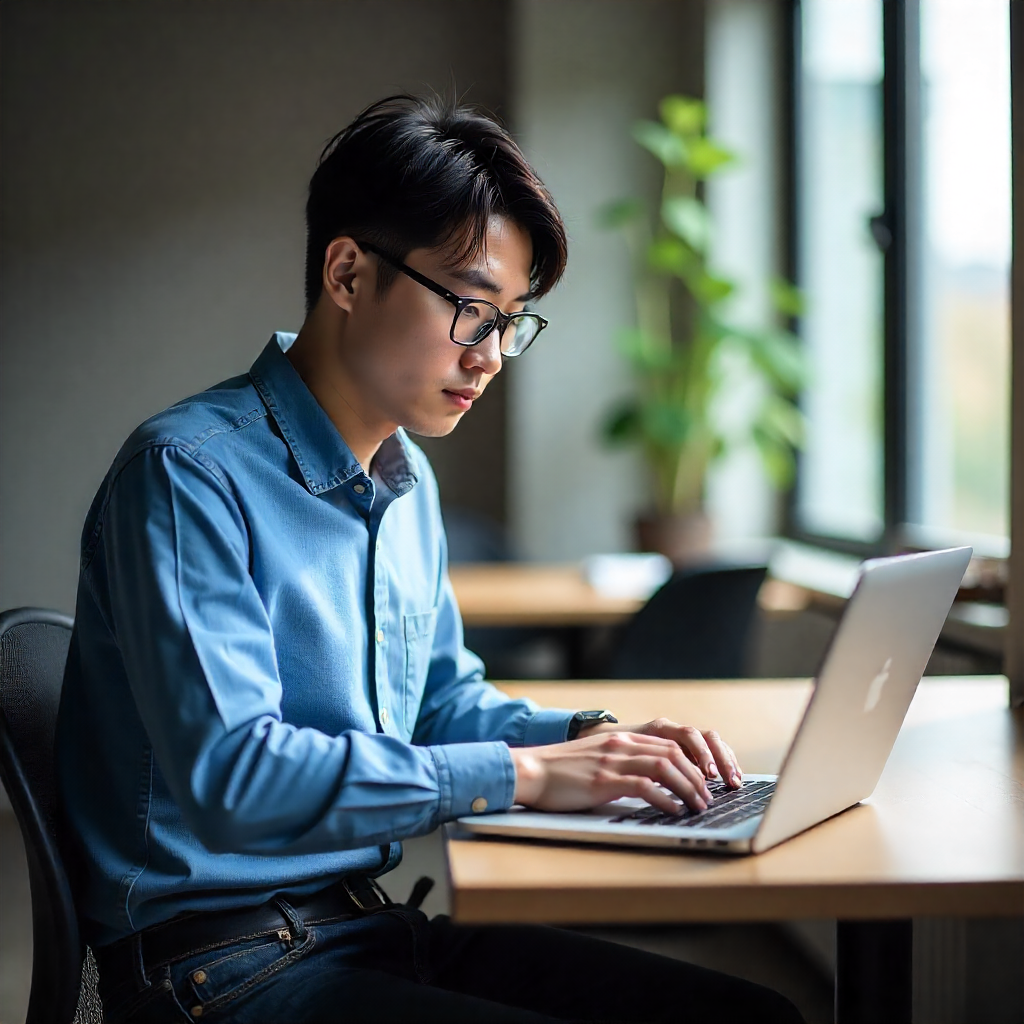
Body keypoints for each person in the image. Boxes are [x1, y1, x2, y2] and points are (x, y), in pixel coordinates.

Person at [56, 94, 803, 1024]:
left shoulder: (407, 481)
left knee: (753, 1016)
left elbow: (440, 705)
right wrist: (528, 777)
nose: (492, 356)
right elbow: (235, 778)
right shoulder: (188, 473)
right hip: (219, 968)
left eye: (512, 321)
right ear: (347, 274)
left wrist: (589, 740)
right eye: (471, 309)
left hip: (363, 925)